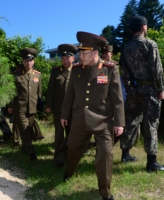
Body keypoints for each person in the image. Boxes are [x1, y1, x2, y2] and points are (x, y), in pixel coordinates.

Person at [60, 31, 125, 200]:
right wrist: (64, 115)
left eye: (83, 53)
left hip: (103, 121)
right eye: (80, 52)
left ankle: (106, 193)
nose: (80, 56)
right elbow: (69, 95)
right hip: (80, 120)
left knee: (105, 156)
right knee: (73, 148)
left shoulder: (110, 70)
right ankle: (69, 171)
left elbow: (117, 99)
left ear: (95, 53)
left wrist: (119, 123)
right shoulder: (76, 70)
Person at [119, 16, 164, 172]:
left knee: (131, 121)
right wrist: (161, 89)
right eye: (146, 26)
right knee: (151, 123)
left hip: (132, 90)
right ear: (143, 27)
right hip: (149, 91)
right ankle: (151, 162)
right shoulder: (150, 44)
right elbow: (157, 69)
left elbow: (122, 69)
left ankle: (125, 154)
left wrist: (129, 86)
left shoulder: (125, 47)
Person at [46, 44, 77, 167]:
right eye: (63, 58)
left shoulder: (78, 71)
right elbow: (50, 90)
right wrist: (49, 105)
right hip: (58, 109)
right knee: (59, 135)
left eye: (67, 58)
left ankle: (70, 158)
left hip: (73, 110)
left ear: (73, 58)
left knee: (71, 135)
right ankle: (59, 159)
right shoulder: (55, 72)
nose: (65, 60)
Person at [8, 48, 42, 161]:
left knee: (30, 128)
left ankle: (24, 147)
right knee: (24, 129)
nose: (29, 62)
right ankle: (31, 152)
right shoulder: (16, 75)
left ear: (33, 61)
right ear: (22, 62)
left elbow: (39, 92)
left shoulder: (37, 75)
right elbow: (11, 92)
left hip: (32, 107)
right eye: (26, 60)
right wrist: (10, 106)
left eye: (31, 60)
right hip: (20, 108)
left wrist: (40, 104)